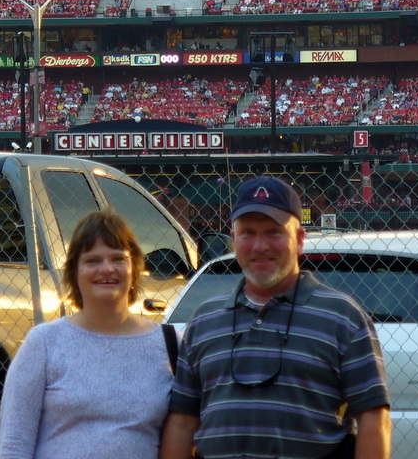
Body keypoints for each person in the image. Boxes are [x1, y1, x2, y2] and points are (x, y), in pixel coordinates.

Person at [160, 177, 391, 459]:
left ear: (300, 240)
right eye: (247, 233)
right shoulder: (204, 320)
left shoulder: (343, 317)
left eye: (273, 232)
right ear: (233, 241)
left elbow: (374, 420)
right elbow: (183, 422)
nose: (260, 246)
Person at [0, 210, 174, 459]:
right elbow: (14, 444)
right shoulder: (44, 343)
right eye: (92, 261)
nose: (107, 269)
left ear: (134, 268)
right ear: (75, 271)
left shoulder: (170, 345)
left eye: (118, 259)